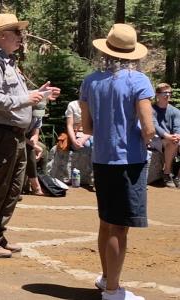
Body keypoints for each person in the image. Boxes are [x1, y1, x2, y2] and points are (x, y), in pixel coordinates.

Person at [0, 13, 60, 258]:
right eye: (17, 33)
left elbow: (15, 98)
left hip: (14, 135)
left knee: (12, 189)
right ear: (1, 36)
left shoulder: (9, 63)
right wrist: (26, 98)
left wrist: (38, 94)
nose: (22, 37)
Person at [80, 23, 155, 300]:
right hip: (129, 161)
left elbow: (86, 127)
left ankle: (106, 279)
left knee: (105, 221)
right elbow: (148, 128)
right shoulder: (139, 81)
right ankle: (113, 291)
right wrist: (150, 140)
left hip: (101, 159)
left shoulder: (90, 81)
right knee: (119, 227)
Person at [151, 83, 180, 188]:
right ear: (157, 95)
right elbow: (154, 126)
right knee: (173, 142)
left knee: (174, 141)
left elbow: (177, 127)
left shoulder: (175, 111)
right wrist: (168, 136)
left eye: (169, 92)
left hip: (171, 139)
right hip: (155, 139)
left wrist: (177, 135)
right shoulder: (151, 109)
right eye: (164, 92)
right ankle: (167, 173)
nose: (167, 94)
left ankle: (178, 177)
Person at [25, 114, 44, 196]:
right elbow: (17, 134)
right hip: (13, 138)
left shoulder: (39, 116)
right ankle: (35, 185)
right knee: (30, 150)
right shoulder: (22, 112)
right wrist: (34, 146)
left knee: (43, 149)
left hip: (27, 140)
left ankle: (43, 180)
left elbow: (35, 134)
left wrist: (34, 143)